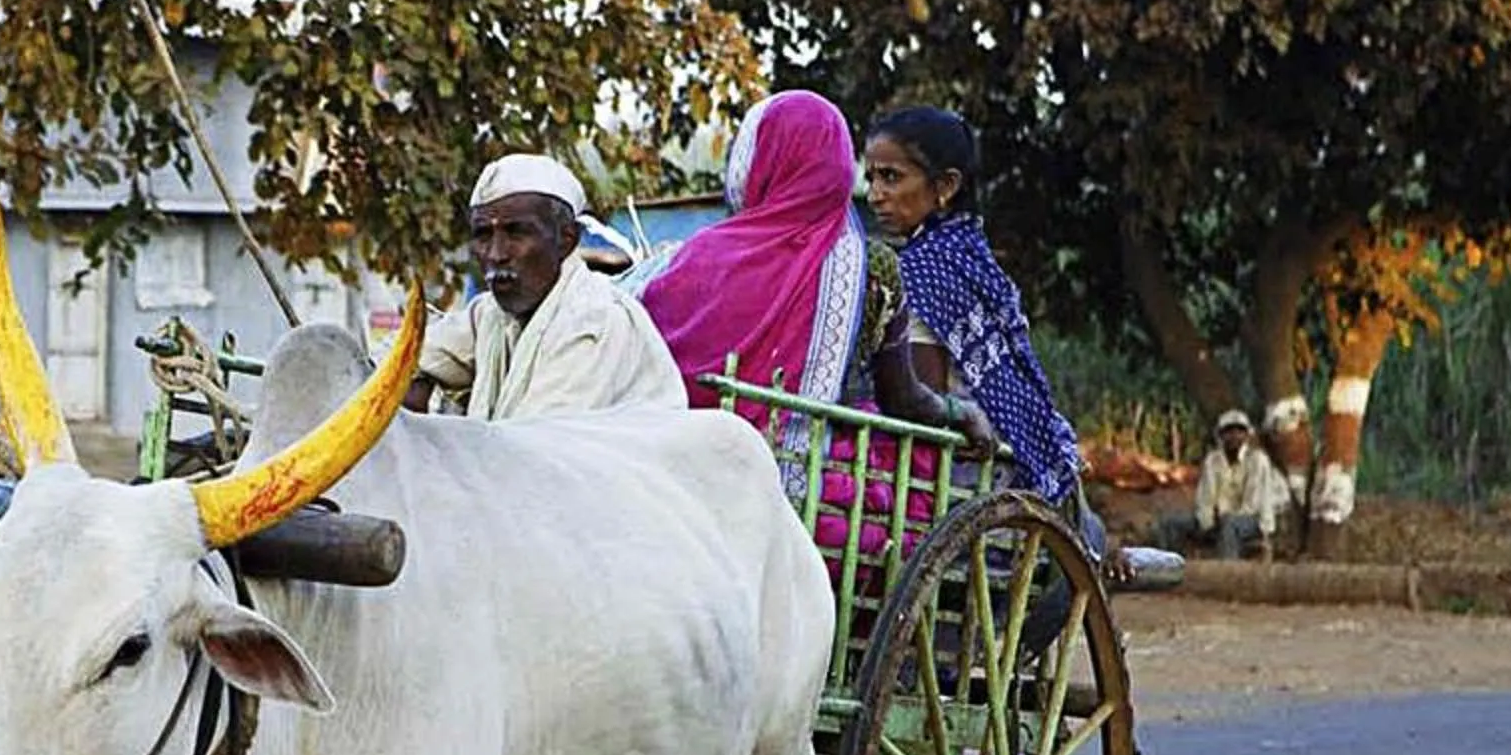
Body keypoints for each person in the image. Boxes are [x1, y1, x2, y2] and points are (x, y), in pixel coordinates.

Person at [635, 89, 983, 472]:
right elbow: (903, 400)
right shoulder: (871, 270)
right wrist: (960, 412)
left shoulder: (695, 255)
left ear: (761, 162)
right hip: (804, 483)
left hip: (665, 463)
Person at [860, 105, 1124, 574]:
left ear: (945, 187)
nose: (875, 194)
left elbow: (922, 402)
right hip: (1025, 465)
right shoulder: (972, 257)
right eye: (871, 177)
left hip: (964, 477)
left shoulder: (918, 271)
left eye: (891, 178)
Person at [404, 153, 684, 420]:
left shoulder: (592, 320)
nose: (495, 253)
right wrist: (412, 384)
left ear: (566, 240)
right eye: (483, 235)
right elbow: (398, 358)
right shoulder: (491, 314)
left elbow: (529, 454)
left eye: (516, 232)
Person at [1177, 408, 1286, 560]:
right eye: (1229, 431)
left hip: (1253, 522)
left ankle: (1227, 572)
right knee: (1170, 523)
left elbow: (1252, 505)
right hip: (1218, 520)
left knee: (1230, 525)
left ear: (1247, 435)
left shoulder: (1257, 460)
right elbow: (1205, 497)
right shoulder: (1213, 460)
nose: (1234, 436)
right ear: (1221, 435)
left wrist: (1223, 518)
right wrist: (1206, 522)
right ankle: (1169, 569)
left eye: (1239, 431)